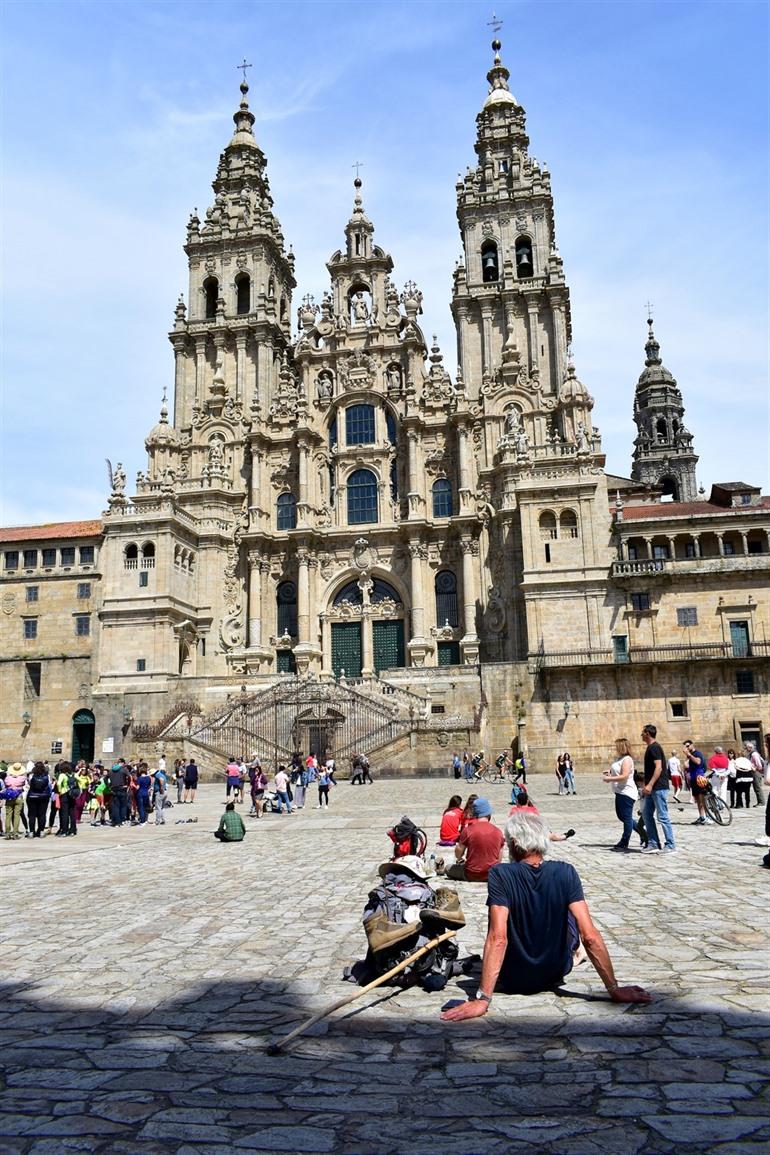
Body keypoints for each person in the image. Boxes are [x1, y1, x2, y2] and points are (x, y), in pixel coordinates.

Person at [440, 812, 652, 1020]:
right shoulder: (565, 872)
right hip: (556, 971)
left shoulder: (500, 874)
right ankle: (576, 954)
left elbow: (498, 937)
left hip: (513, 978)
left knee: (505, 912)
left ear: (514, 843)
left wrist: (482, 999)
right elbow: (590, 935)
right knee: (569, 912)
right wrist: (614, 989)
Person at [441, 797, 504, 882]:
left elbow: (458, 854)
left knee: (448, 868)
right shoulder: (498, 832)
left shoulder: (468, 830)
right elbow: (499, 859)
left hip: (470, 874)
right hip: (491, 874)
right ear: (489, 814)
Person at [640, 724, 675, 853]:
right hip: (652, 788)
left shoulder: (654, 748)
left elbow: (659, 767)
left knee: (663, 816)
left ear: (648, 734)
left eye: (642, 733)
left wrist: (650, 784)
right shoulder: (650, 748)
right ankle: (654, 842)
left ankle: (670, 844)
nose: (641, 735)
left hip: (658, 787)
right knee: (646, 814)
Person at [602, 738, 639, 852]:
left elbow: (624, 776)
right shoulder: (620, 759)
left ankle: (624, 842)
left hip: (627, 792)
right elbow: (618, 772)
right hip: (619, 791)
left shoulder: (627, 759)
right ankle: (644, 834)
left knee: (626, 818)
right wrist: (610, 773)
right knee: (622, 816)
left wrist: (609, 779)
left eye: (617, 746)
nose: (615, 748)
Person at [683, 740, 710, 825]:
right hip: (694, 778)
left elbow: (698, 762)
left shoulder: (697, 753)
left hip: (699, 778)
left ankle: (708, 816)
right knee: (698, 799)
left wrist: (689, 755)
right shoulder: (691, 756)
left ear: (692, 745)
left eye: (688, 746)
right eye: (685, 746)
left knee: (702, 798)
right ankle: (702, 817)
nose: (686, 748)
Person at [26, 762, 51, 837]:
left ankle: (31, 832)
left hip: (32, 796)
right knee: (42, 814)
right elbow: (49, 785)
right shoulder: (47, 776)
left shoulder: (31, 776)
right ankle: (41, 831)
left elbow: (29, 785)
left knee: (32, 815)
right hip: (44, 797)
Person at [109, 760, 130, 827]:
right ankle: (122, 820)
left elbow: (105, 779)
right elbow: (130, 777)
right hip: (122, 788)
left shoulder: (110, 771)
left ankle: (118, 822)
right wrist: (127, 785)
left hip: (114, 789)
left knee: (116, 806)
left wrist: (109, 786)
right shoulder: (123, 770)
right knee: (123, 805)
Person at [746, 742, 766, 807]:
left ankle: (761, 802)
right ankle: (759, 801)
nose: (746, 749)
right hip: (755, 772)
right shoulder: (752, 754)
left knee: (758, 787)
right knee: (756, 787)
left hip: (756, 772)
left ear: (750, 748)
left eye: (747, 747)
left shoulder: (754, 754)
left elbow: (759, 765)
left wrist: (755, 769)